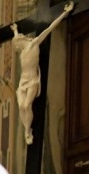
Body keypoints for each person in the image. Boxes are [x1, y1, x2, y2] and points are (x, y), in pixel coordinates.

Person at [12, 1, 73, 144]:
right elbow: (16, 36)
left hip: (33, 80)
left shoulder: (34, 43)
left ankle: (28, 131)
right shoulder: (22, 50)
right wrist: (15, 30)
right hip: (23, 82)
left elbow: (50, 28)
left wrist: (65, 13)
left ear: (21, 42)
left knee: (27, 105)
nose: (18, 46)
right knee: (21, 106)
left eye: (18, 43)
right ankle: (26, 128)